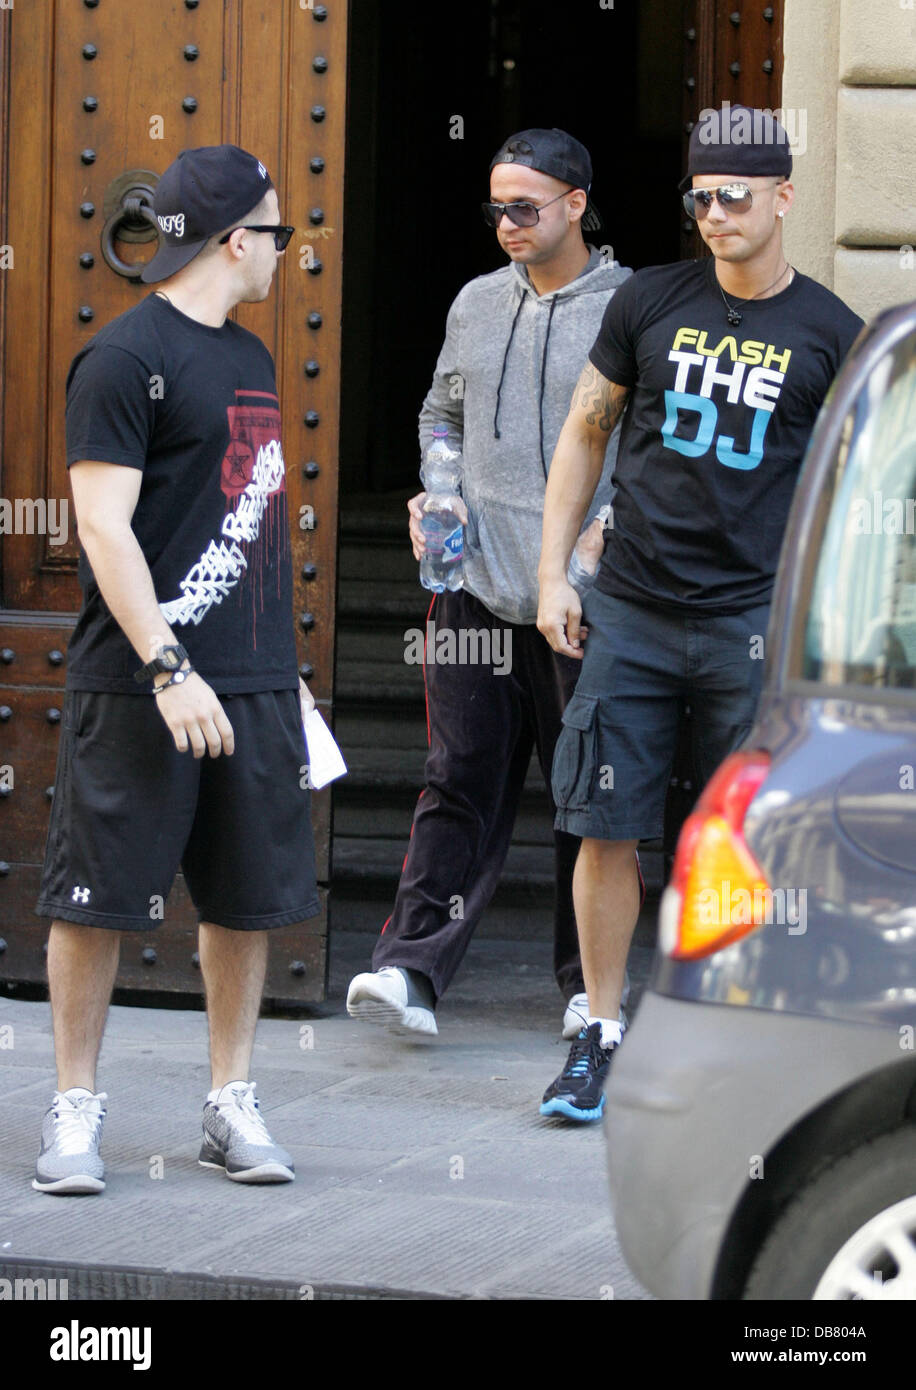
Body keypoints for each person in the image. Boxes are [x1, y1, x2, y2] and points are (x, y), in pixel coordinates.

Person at [536, 106, 864, 1120]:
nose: (713, 215)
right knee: (603, 823)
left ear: (781, 198)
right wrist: (554, 571)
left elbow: (852, 493)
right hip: (629, 607)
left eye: (733, 196)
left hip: (752, 621)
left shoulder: (830, 332)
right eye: (699, 197)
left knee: (742, 840)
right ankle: (598, 1028)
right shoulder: (647, 301)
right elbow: (584, 435)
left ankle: (722, 1037)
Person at [32, 144, 318, 1193]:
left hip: (248, 676)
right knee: (94, 898)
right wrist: (165, 664)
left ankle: (230, 1101)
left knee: (244, 899)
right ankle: (73, 1109)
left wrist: (273, 667)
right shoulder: (120, 358)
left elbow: (246, 527)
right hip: (141, 678)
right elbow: (104, 528)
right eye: (278, 231)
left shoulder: (251, 359)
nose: (287, 251)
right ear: (236, 238)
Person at [346, 128, 637, 1038]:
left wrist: (599, 543)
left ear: (577, 204)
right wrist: (438, 488)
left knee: (586, 793)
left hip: (582, 596)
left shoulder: (632, 308)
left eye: (525, 207)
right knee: (456, 776)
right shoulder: (475, 302)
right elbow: (441, 412)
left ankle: (587, 988)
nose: (506, 224)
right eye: (495, 208)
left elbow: (654, 445)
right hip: (471, 582)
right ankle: (411, 972)